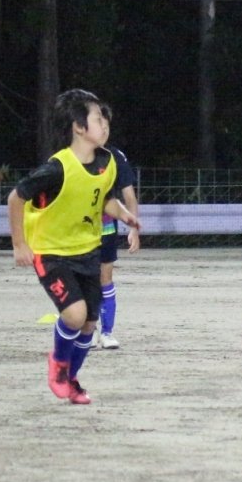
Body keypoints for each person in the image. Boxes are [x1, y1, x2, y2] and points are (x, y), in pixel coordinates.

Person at [8, 90, 140, 404]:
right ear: (79, 127)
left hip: (88, 251)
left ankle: (71, 380)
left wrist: (124, 215)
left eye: (105, 119)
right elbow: (16, 197)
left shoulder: (107, 162)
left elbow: (103, 198)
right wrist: (19, 244)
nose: (105, 125)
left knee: (89, 324)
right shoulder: (57, 168)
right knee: (75, 314)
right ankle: (58, 364)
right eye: (98, 119)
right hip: (51, 253)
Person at [93, 103, 141, 349]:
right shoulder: (70, 157)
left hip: (105, 228)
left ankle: (107, 332)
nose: (103, 129)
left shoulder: (115, 157)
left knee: (105, 277)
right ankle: (87, 330)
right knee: (81, 279)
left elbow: (129, 196)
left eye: (106, 125)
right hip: (76, 230)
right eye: (98, 123)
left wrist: (133, 229)